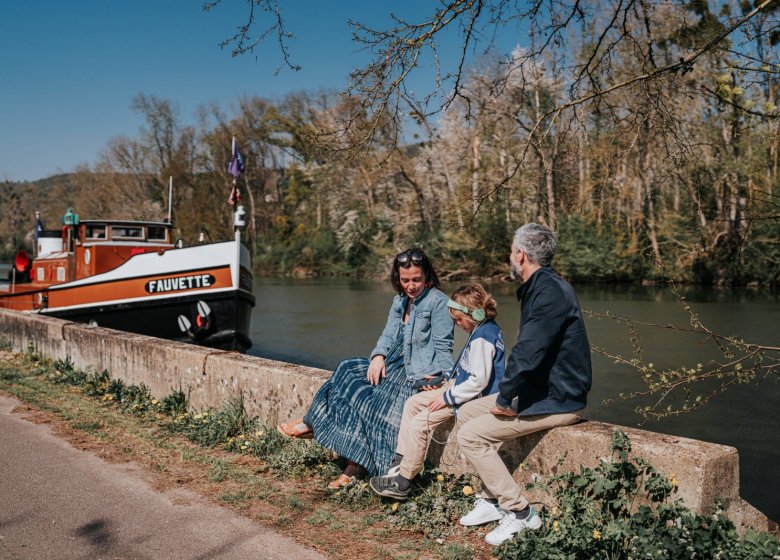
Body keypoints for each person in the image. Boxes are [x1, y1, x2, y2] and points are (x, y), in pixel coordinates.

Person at [455, 223, 592, 546]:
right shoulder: (540, 288)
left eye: (511, 252)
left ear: (521, 254)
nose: (510, 257)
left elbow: (527, 351)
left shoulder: (550, 293)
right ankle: (491, 501)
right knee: (467, 413)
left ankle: (521, 514)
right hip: (539, 393)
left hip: (559, 399)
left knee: (470, 436)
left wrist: (504, 399)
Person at [277, 249, 455, 488]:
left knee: (373, 403)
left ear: (427, 277)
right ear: (397, 278)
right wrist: (378, 356)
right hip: (389, 362)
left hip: (414, 371)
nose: (410, 286)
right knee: (346, 369)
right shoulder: (400, 300)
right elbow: (389, 334)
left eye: (416, 280)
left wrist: (444, 378)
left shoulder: (439, 302)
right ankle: (313, 423)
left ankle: (353, 465)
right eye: (405, 280)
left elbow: (444, 346)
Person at [368, 284, 505, 499]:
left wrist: (446, 397)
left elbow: (478, 381)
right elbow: (467, 368)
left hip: (469, 397)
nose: (458, 325)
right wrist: (444, 380)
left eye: (459, 320)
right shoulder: (482, 328)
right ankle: (400, 461)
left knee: (419, 424)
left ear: (475, 313)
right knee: (412, 403)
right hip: (458, 388)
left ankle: (404, 481)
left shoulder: (483, 337)